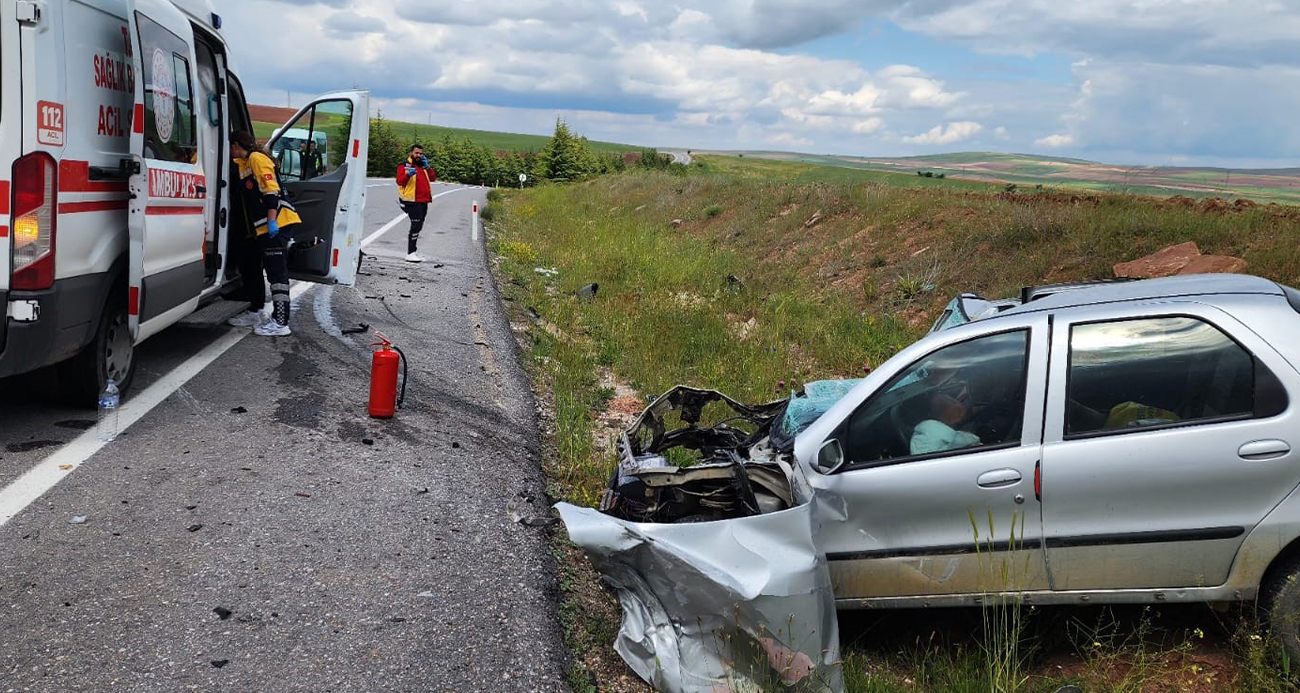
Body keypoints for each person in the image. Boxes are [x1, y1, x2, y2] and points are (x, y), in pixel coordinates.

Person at [226, 130, 303, 337]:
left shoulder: (256, 159)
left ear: (236, 145)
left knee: (277, 275)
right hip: (264, 228)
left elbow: (270, 192)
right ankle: (258, 312)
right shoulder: (244, 163)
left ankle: (281, 323)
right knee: (267, 270)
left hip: (278, 223)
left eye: (230, 147)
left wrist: (271, 221)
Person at [396, 143, 437, 263]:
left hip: (423, 201)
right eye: (416, 153)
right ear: (411, 153)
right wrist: (407, 175)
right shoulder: (404, 166)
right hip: (411, 201)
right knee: (416, 225)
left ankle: (413, 252)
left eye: (420, 153)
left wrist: (428, 167)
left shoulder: (422, 167)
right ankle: (410, 253)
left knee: (419, 226)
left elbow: (433, 178)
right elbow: (399, 181)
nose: (418, 155)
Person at [910, 393, 982, 456]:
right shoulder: (946, 434)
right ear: (950, 418)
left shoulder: (923, 429)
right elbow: (970, 440)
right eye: (958, 418)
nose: (959, 421)